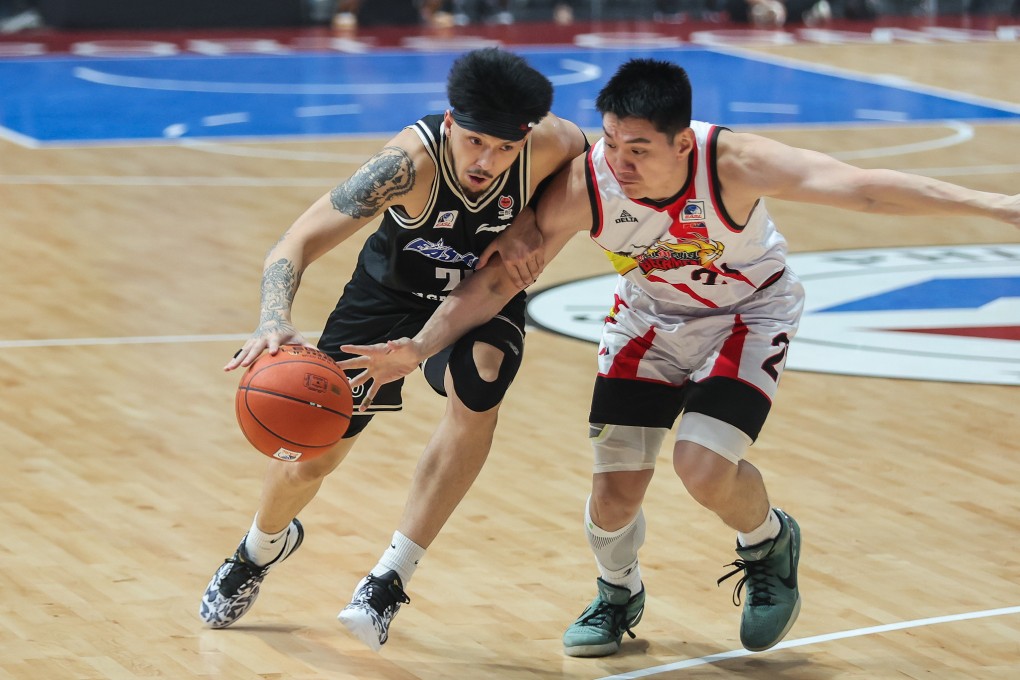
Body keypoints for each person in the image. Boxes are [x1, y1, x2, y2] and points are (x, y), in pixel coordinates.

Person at [336, 58, 1020, 657]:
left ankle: (767, 542)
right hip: (649, 321)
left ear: (682, 143)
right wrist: (421, 345)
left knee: (701, 465)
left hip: (746, 316)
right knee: (612, 497)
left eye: (638, 150)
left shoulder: (737, 164)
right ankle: (618, 593)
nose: (618, 163)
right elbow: (495, 279)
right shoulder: (589, 183)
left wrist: (993, 204)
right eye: (609, 142)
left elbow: (863, 187)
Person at [198, 47, 588, 651]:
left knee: (481, 381)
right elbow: (294, 242)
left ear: (527, 136)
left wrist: (529, 219)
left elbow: (581, 161)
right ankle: (259, 548)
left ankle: (390, 578)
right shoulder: (405, 165)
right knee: (311, 454)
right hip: (388, 294)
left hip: (483, 292)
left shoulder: (554, 142)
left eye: (505, 149)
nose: (488, 162)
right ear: (452, 121)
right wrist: (273, 319)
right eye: (476, 142)